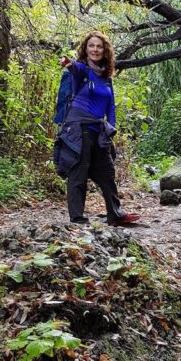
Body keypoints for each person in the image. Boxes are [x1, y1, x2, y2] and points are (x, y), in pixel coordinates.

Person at [57, 31, 139, 226]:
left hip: (98, 129)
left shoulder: (106, 76)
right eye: (91, 46)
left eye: (99, 46)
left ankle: (115, 215)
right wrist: (69, 63)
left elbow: (110, 105)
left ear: (105, 51)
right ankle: (77, 219)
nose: (95, 49)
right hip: (78, 127)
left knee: (107, 172)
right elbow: (75, 68)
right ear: (86, 49)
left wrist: (111, 129)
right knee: (79, 171)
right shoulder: (83, 70)